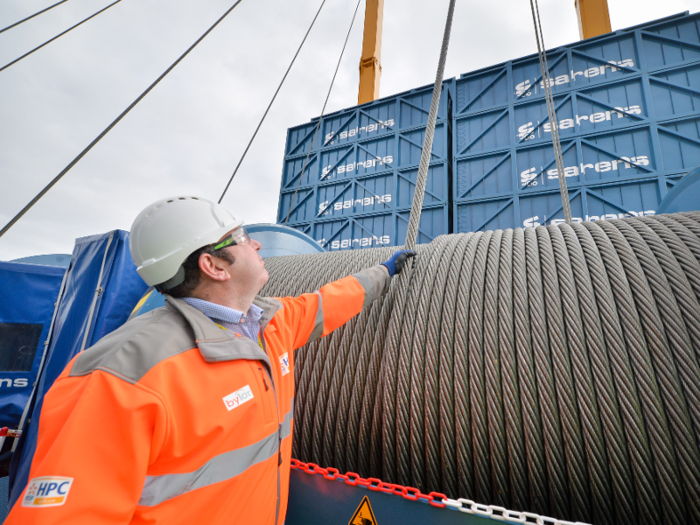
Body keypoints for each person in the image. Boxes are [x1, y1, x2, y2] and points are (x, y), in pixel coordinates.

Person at [6, 196, 415, 525]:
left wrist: (383, 271)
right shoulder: (123, 375)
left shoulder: (268, 325)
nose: (255, 243)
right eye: (241, 236)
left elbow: (328, 303)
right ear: (214, 265)